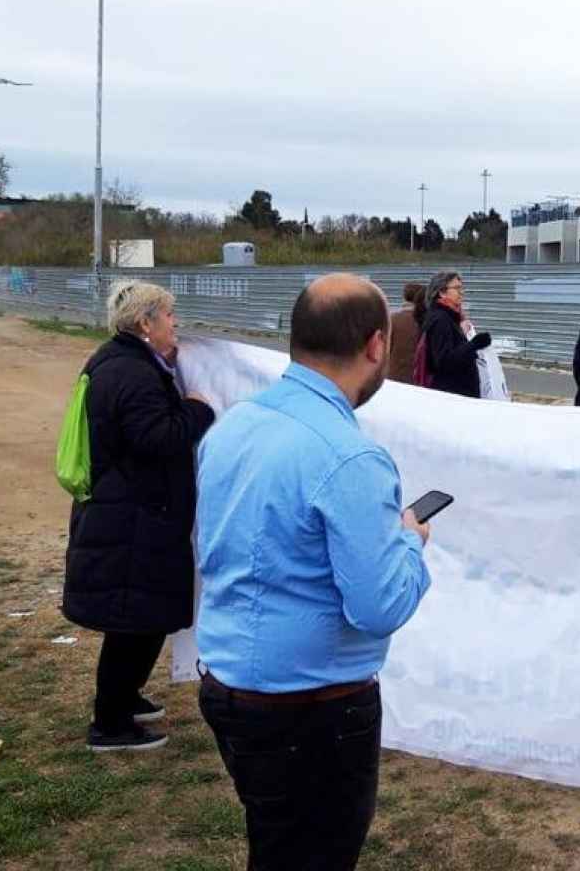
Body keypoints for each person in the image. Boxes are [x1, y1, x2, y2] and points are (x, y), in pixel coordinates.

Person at [194, 274, 431, 871]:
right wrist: (409, 542)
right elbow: (380, 605)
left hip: (231, 686)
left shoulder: (232, 426)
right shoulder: (349, 456)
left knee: (277, 845)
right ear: (377, 346)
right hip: (311, 709)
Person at [62, 280, 216, 752]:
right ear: (145, 323)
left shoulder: (125, 361)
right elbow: (158, 438)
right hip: (130, 521)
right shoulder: (130, 372)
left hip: (134, 516)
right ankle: (109, 724)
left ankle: (124, 698)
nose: (175, 324)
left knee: (142, 619)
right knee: (133, 623)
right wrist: (198, 412)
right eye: (169, 316)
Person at [420, 270, 491, 397]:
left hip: (457, 394)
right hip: (452, 396)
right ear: (442, 292)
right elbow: (444, 362)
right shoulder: (440, 319)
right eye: (457, 288)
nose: (461, 292)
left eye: (461, 288)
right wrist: (474, 344)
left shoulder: (448, 317)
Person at [386, 281, 426, 384]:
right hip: (419, 379)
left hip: (394, 377)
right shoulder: (425, 320)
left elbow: (385, 349)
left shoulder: (392, 319)